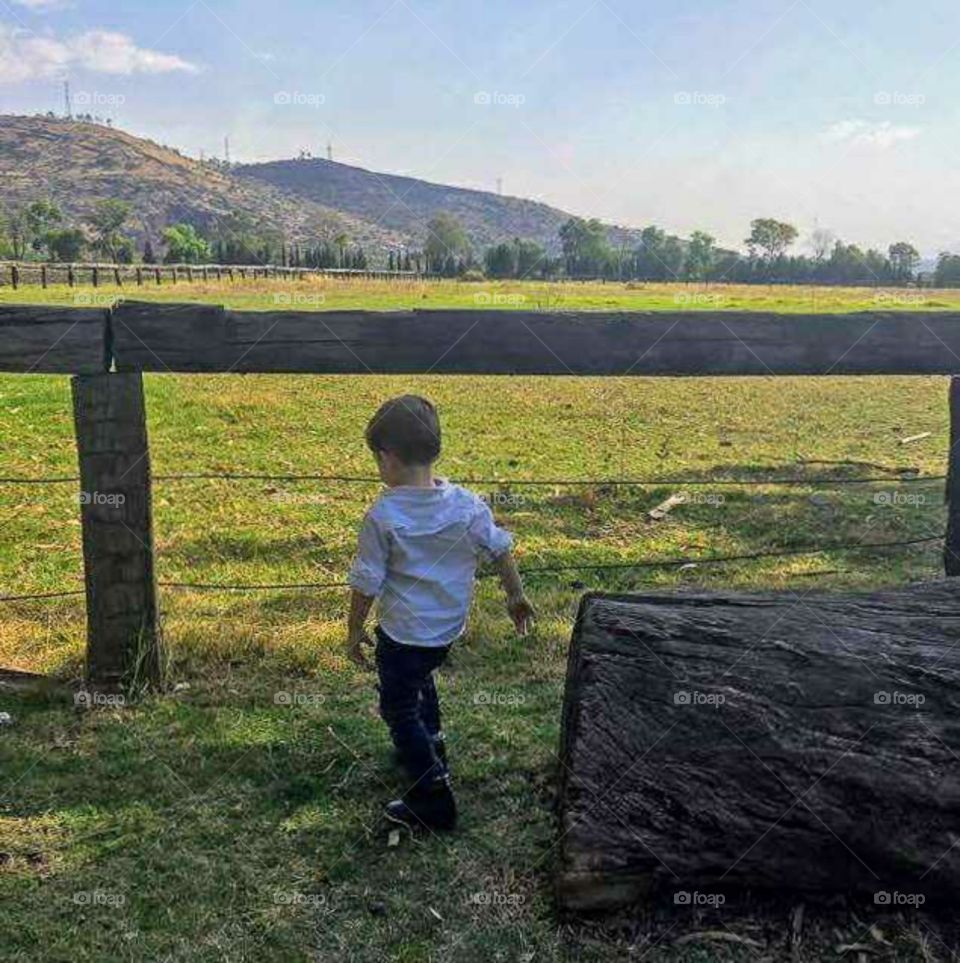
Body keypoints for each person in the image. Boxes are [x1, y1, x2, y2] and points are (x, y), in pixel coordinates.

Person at [346, 395, 535, 831]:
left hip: (401, 635)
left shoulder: (383, 515)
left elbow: (366, 582)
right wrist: (515, 596)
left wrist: (354, 630)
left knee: (398, 709)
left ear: (387, 458)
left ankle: (432, 798)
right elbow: (500, 548)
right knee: (420, 683)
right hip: (445, 631)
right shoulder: (466, 504)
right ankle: (433, 744)